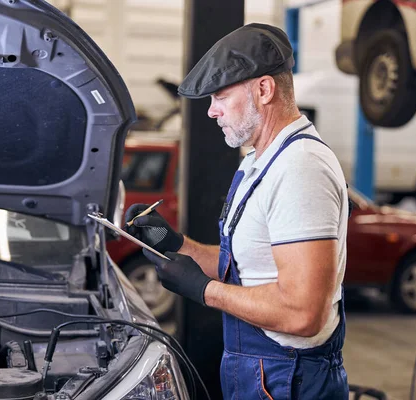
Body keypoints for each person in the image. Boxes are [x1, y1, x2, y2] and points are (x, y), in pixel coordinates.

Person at [125, 23, 350, 399]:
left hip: (289, 378)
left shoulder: (300, 167)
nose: (211, 111)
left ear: (264, 89)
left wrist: (204, 290)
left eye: (221, 97)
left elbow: (304, 312)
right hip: (259, 370)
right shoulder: (257, 163)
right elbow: (245, 264)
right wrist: (175, 245)